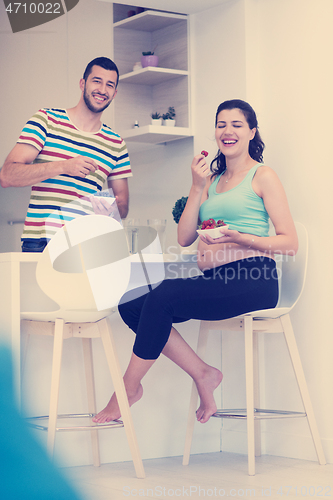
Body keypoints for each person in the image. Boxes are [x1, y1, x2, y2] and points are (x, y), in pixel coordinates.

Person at [92, 99, 298, 425]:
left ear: (251, 132)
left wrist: (243, 237)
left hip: (254, 278)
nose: (227, 131)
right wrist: (197, 186)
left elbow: (290, 242)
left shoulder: (263, 175)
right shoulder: (211, 181)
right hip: (215, 279)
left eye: (236, 125)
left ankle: (127, 389)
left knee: (164, 296)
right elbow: (185, 237)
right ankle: (203, 373)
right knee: (131, 303)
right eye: (221, 125)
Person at [0, 57, 131, 252]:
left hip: (86, 247)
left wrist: (107, 207)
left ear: (115, 93)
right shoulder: (46, 120)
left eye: (109, 85)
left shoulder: (116, 144)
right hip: (41, 244)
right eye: (97, 81)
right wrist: (63, 166)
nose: (103, 90)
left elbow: (123, 207)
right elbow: (7, 176)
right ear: (82, 83)